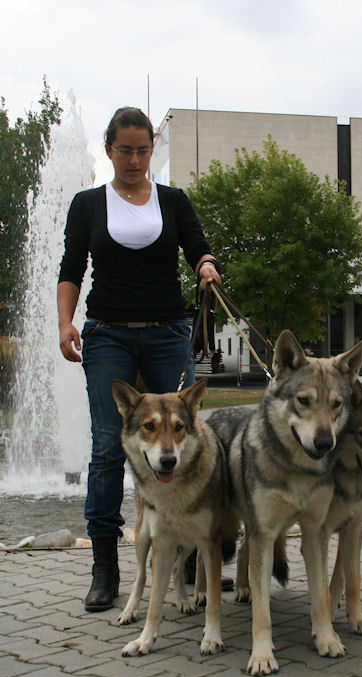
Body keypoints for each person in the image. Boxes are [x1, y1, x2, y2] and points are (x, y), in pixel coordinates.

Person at [57, 106, 221, 612]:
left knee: (186, 440)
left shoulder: (173, 200)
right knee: (109, 447)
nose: (134, 159)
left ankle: (194, 561)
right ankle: (105, 568)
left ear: (152, 150)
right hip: (106, 336)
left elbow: (197, 245)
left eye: (143, 150)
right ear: (109, 150)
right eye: (125, 150)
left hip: (168, 334)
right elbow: (70, 267)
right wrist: (66, 323)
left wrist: (207, 264)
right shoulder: (88, 204)